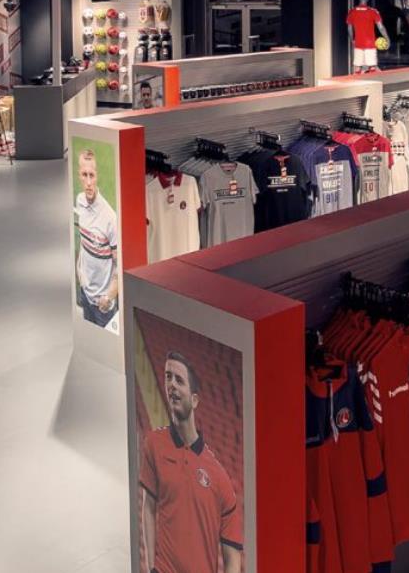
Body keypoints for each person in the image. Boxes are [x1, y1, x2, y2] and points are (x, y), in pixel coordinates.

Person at [140, 352, 243, 573]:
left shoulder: (219, 477)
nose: (171, 385)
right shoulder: (154, 444)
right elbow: (148, 506)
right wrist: (150, 567)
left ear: (195, 400)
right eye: (168, 377)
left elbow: (232, 556)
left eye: (179, 380)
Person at [74, 148, 119, 327]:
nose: (88, 182)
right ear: (79, 175)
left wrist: (108, 298)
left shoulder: (110, 218)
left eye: (92, 175)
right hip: (85, 294)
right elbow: (83, 241)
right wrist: (80, 272)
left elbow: (119, 264)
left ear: (97, 176)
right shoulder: (79, 201)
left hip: (103, 306)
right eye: (84, 175)